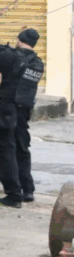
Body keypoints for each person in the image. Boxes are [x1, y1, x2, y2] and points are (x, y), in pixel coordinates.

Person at [13, 29, 44, 203]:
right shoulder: (38, 64)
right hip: (23, 112)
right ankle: (27, 189)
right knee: (21, 150)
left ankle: (18, 189)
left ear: (20, 40)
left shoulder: (15, 59)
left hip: (11, 110)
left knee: (11, 149)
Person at [0, 38, 26, 208]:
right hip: (9, 108)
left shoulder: (2, 56)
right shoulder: (10, 54)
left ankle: (14, 194)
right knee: (7, 152)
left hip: (2, 108)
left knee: (6, 153)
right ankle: (15, 193)